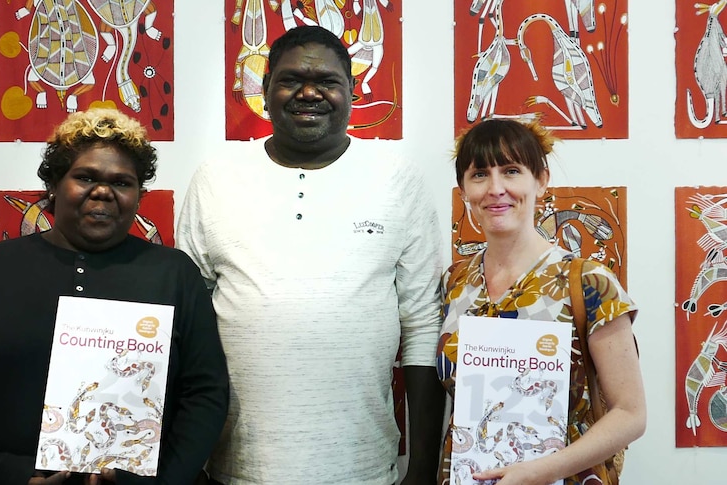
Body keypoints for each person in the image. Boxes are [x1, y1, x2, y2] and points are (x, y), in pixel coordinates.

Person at [0, 108, 229, 485]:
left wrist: (163, 482)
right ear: (54, 185)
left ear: (139, 196)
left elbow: (205, 393)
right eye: (86, 177)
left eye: (122, 182)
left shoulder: (174, 274)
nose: (103, 191)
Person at [177, 25, 444, 485]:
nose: (308, 92)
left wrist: (421, 468)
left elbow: (422, 323)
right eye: (290, 79)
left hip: (364, 470)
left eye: (327, 82)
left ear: (352, 92)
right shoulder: (216, 178)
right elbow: (187, 325)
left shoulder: (396, 178)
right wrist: (186, 460)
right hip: (236, 470)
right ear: (264, 90)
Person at [437, 119, 645, 484]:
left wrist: (538, 472)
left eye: (512, 171)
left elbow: (630, 414)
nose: (496, 189)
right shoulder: (455, 284)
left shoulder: (588, 282)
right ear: (464, 189)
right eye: (480, 175)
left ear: (541, 180)